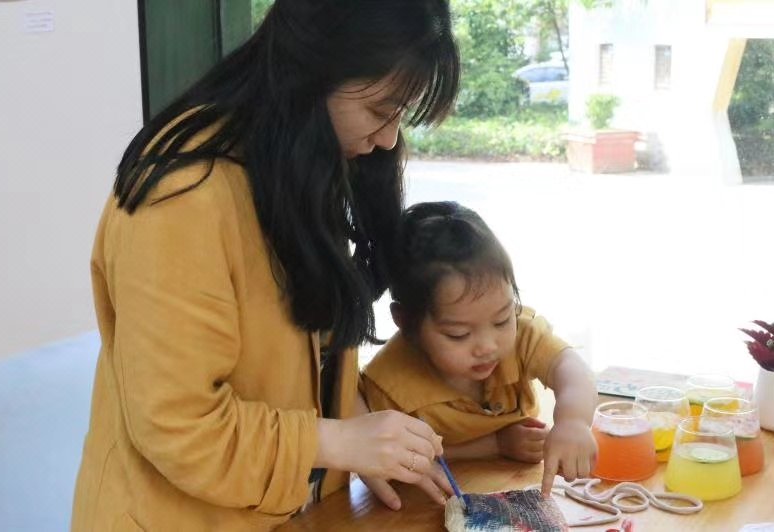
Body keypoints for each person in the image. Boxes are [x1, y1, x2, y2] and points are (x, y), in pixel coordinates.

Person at [71, 1, 460, 530]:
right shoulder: (182, 197)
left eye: (400, 114)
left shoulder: (298, 156)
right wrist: (338, 442)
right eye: (379, 111)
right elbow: (179, 424)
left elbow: (309, 349)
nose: (390, 138)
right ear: (313, 72)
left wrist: (365, 432)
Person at [360, 201, 598, 499]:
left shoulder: (522, 334)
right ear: (405, 323)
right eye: (458, 334)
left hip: (520, 481)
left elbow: (571, 368)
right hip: (433, 501)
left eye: (502, 320)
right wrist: (496, 444)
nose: (488, 347)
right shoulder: (388, 386)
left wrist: (573, 420)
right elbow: (387, 454)